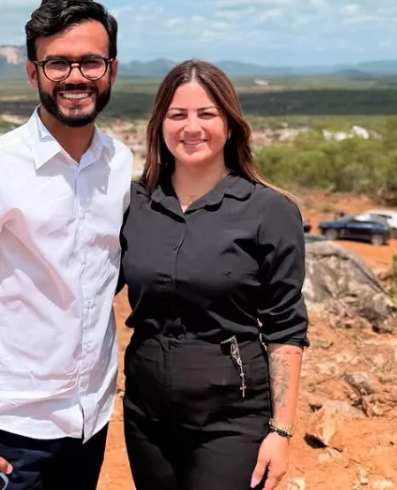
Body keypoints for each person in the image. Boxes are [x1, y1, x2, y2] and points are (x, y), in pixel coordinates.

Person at [0, 0, 132, 490]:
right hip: (11, 428)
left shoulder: (121, 165)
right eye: (57, 63)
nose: (75, 77)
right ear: (33, 73)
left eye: (90, 62)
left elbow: (107, 270)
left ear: (113, 70)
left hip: (93, 417)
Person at [117, 60, 309, 490]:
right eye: (177, 115)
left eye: (207, 114)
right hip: (146, 416)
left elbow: (286, 329)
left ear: (230, 123)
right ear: (160, 125)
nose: (192, 127)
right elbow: (85, 283)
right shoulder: (134, 203)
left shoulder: (269, 210)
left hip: (231, 417)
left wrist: (280, 431)